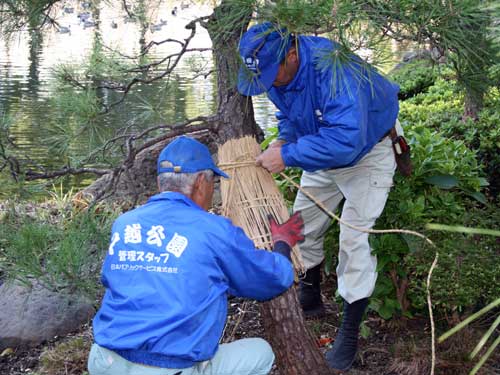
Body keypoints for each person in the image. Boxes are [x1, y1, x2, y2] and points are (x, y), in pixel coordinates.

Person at [237, 22, 401, 372]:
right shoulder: (279, 73)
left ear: (292, 54)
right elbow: (289, 114)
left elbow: (346, 142)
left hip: (367, 151)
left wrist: (289, 156)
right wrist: (283, 140)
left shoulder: (333, 70)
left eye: (271, 74)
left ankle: (349, 333)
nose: (270, 83)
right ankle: (310, 296)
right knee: (302, 225)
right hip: (322, 149)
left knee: (354, 240)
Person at [88, 136, 304, 375]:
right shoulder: (213, 229)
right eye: (214, 183)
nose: (213, 191)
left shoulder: (125, 224)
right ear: (201, 182)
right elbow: (270, 280)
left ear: (162, 184)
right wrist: (282, 244)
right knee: (260, 353)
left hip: (104, 360)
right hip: (163, 368)